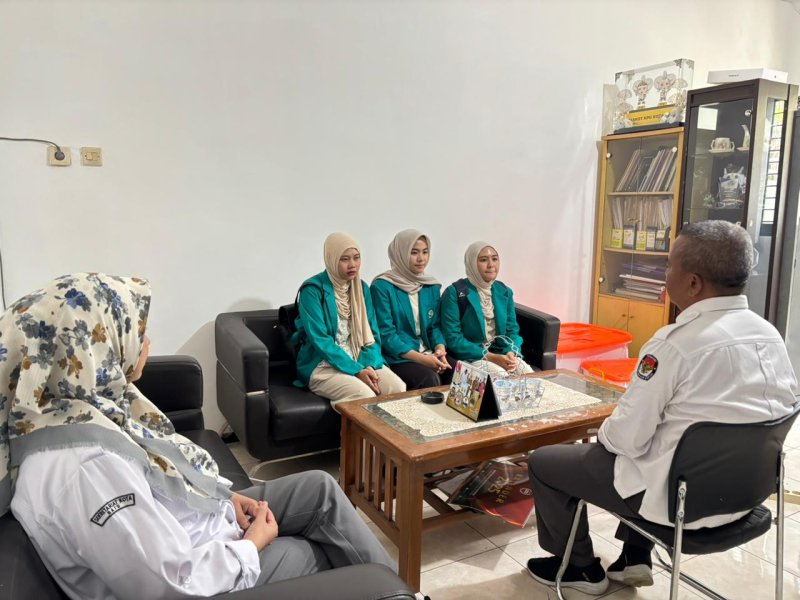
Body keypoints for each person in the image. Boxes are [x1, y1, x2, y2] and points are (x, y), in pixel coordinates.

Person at [1, 273, 396, 599]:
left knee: (321, 489)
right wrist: (252, 544)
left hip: (203, 526)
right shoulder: (87, 468)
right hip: (207, 572)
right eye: (134, 331)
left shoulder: (77, 413)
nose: (146, 343)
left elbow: (154, 482)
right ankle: (391, 591)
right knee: (316, 552)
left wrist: (222, 497)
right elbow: (167, 585)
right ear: (93, 349)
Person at [525, 221, 799, 596]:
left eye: (669, 265)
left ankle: (579, 568)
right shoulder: (770, 336)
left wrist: (606, 430)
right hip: (745, 499)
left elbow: (624, 439)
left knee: (547, 461)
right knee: (661, 446)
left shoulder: (674, 344)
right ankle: (634, 557)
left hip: (678, 506)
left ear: (693, 283)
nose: (664, 275)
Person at [293, 232, 406, 404]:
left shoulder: (361, 288)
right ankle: (348, 423)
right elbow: (320, 340)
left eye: (356, 257)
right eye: (344, 259)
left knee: (397, 389)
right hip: (324, 364)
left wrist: (367, 365)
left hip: (360, 357)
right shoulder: (312, 290)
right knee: (363, 395)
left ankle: (382, 424)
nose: (352, 264)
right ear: (331, 259)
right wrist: (356, 370)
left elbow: (373, 333)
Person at [371, 229, 454, 390]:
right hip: (399, 357)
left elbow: (434, 327)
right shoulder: (382, 286)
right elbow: (387, 335)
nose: (421, 258)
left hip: (428, 352)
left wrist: (440, 350)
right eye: (414, 252)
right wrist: (423, 359)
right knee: (429, 379)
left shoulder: (431, 286)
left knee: (459, 372)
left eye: (425, 252)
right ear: (400, 254)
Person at [440, 241, 534, 376]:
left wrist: (511, 352)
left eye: (494, 259)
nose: (491, 265)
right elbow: (453, 338)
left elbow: (512, 330)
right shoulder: (454, 292)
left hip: (500, 352)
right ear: (472, 263)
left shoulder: (504, 291)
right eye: (483, 260)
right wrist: (490, 357)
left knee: (529, 374)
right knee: (501, 377)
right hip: (471, 356)